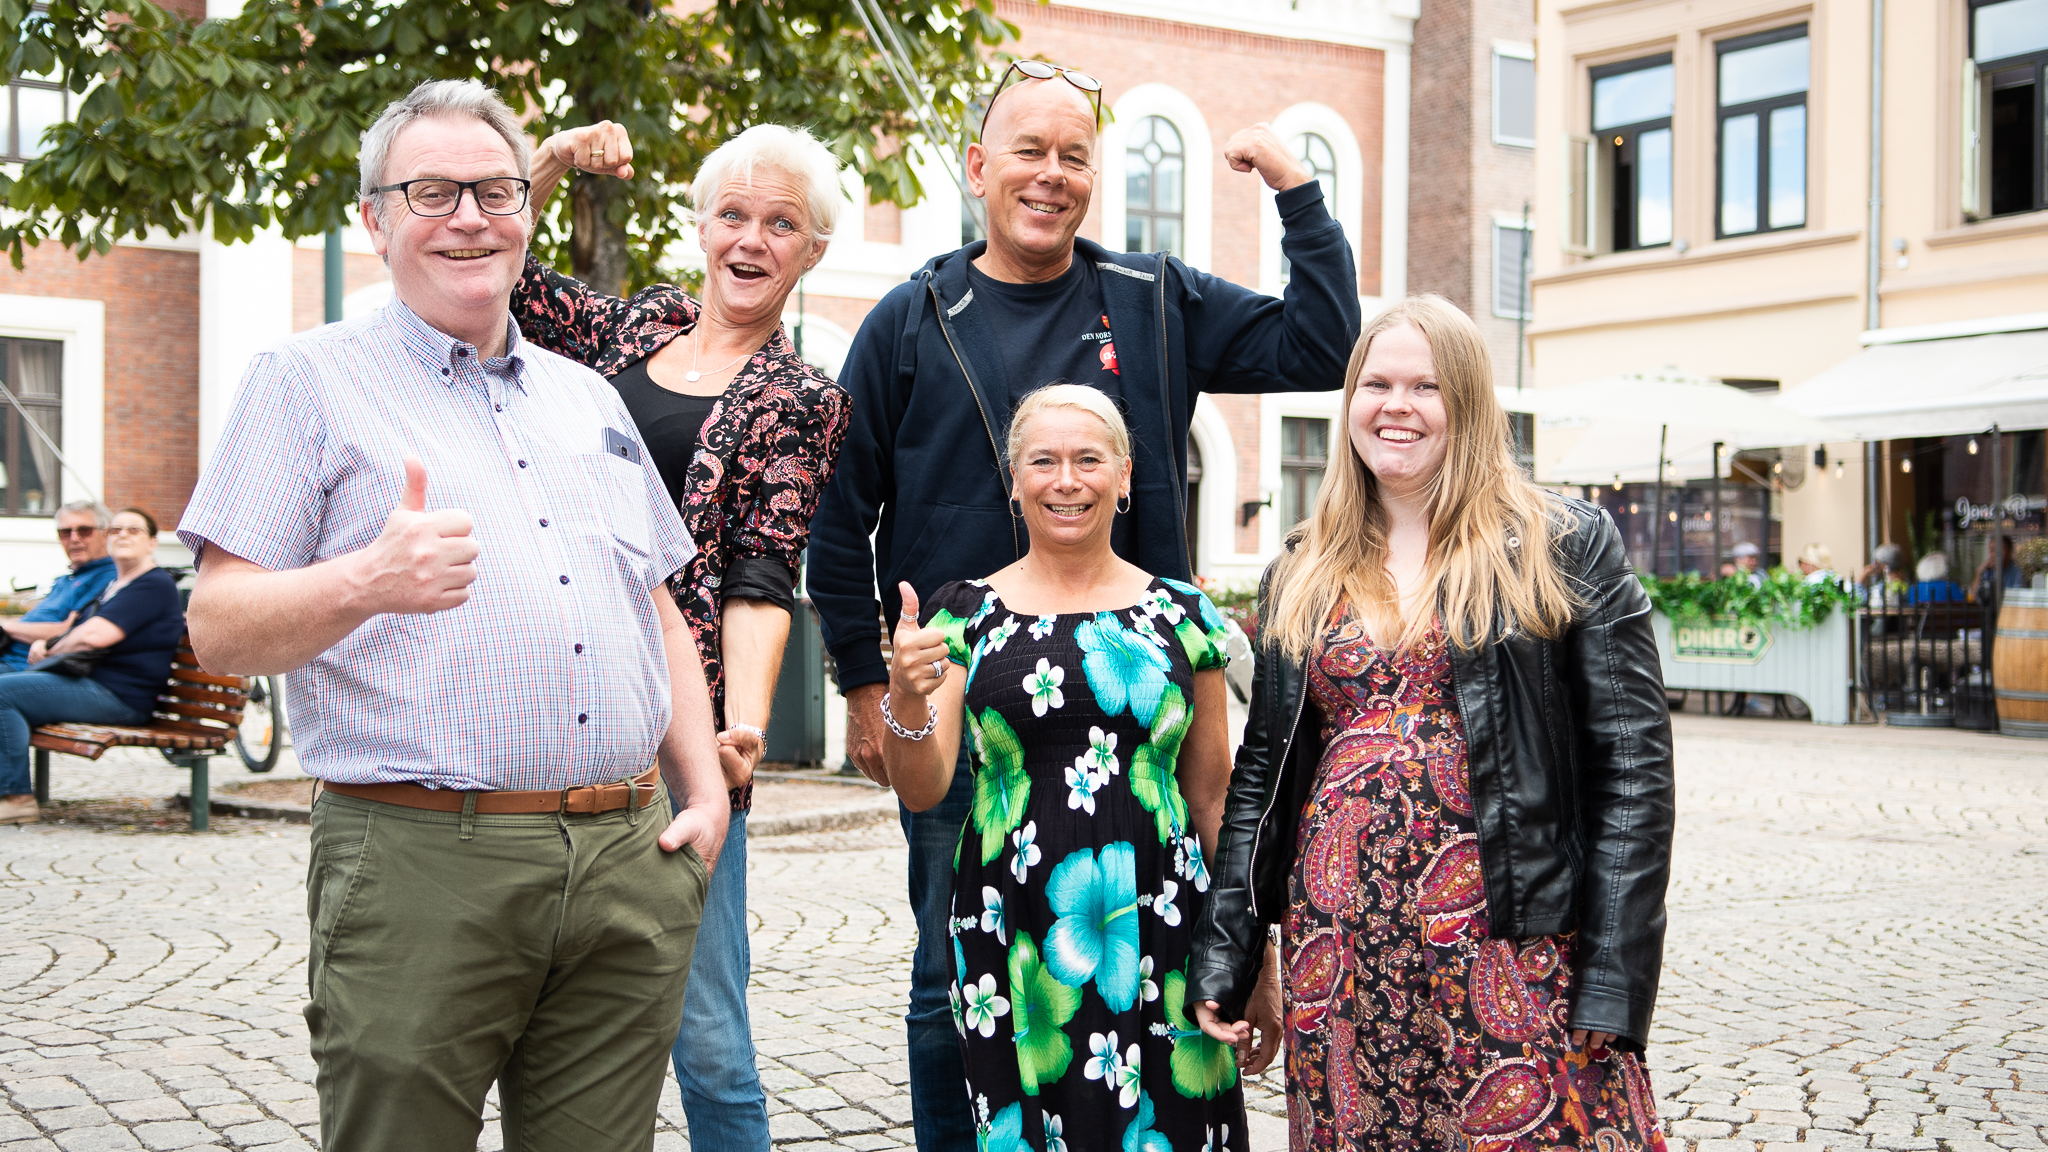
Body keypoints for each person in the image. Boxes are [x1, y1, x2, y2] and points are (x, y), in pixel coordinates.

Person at [808, 58, 1362, 1147]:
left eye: (1073, 155)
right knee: (950, 981)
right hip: (975, 707)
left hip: (1134, 701)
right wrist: (868, 689)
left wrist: (1297, 194)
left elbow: (1321, 342)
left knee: (1156, 965)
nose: (1050, 175)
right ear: (977, 167)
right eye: (1027, 150)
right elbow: (838, 519)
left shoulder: (1154, 300)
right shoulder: (911, 319)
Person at [179, 80, 728, 1152]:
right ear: (374, 220)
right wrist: (364, 582)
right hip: (422, 860)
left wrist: (704, 796)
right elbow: (217, 628)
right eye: (431, 192)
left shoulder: (588, 397)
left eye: (494, 190)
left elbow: (656, 605)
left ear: (527, 209)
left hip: (626, 860)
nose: (469, 217)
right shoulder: (304, 380)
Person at [1187, 297, 1675, 1151]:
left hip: (1516, 949)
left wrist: (1613, 980)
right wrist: (1229, 951)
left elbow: (1632, 774)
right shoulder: (1301, 567)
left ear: (1470, 405)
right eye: (1376, 383)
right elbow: (1261, 777)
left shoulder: (1561, 542)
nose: (1396, 405)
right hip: (1340, 952)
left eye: (1426, 386)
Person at [507, 119, 851, 1151]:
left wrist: (737, 732)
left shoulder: (797, 398)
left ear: (811, 250)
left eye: (779, 222)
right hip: (551, 701)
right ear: (700, 226)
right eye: (733, 214)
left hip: (674, 732)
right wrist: (554, 159)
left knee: (704, 1032)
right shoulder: (638, 327)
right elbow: (502, 273)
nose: (750, 239)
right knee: (549, 1021)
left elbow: (761, 571)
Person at [881, 385, 1271, 1151]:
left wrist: (1258, 959)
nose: (1067, 480)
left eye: (1089, 459)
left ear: (1125, 477)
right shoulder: (965, 615)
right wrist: (903, 694)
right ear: (1014, 479)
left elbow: (1217, 798)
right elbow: (923, 785)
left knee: (1170, 1126)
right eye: (1044, 461)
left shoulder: (1184, 616)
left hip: (1166, 922)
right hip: (1012, 929)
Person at [0, 507, 184, 827]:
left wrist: (51, 647)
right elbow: (77, 630)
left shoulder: (153, 584)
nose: (123, 535)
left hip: (120, 696)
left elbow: (96, 636)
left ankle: (16, 799)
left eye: (133, 530)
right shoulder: (114, 587)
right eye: (115, 530)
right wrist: (62, 639)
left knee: (3, 694)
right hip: (93, 686)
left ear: (152, 542)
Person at [2, 501, 119, 671]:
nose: (74, 539)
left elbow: (67, 630)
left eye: (84, 531)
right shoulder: (66, 579)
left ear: (105, 534)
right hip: (8, 658)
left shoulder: (107, 576)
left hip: (25, 667)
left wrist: (7, 626)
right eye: (65, 532)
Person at [1974, 535, 2023, 602]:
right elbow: (1974, 597)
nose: (1995, 555)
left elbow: (2016, 598)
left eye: (1999, 550)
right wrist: (1979, 573)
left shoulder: (2017, 572)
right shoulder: (1987, 572)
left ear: (2010, 552)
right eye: (1992, 551)